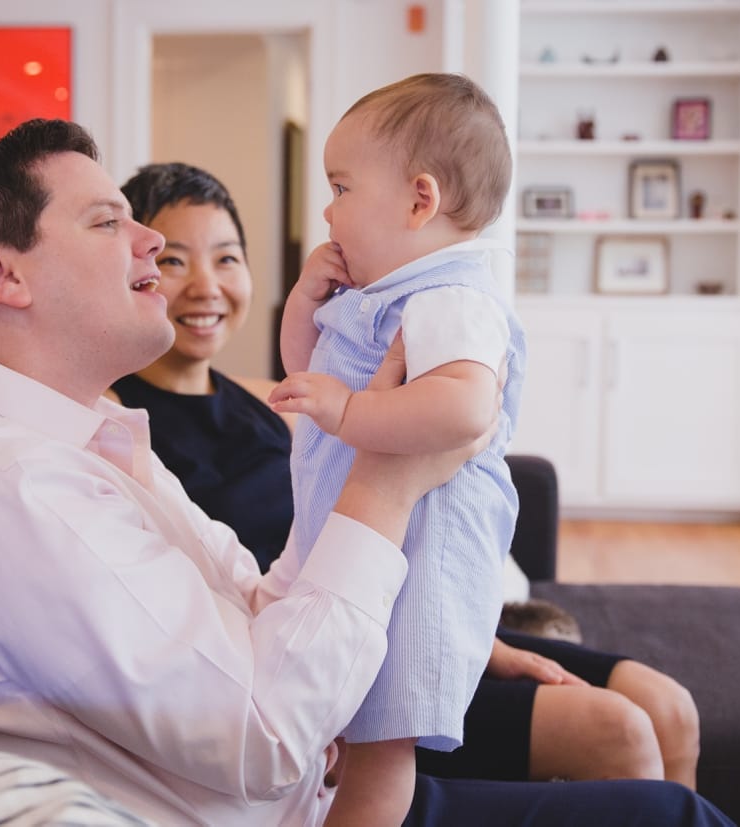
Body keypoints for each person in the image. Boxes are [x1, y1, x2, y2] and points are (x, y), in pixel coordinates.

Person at [0, 117, 733, 826]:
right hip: (306, 802)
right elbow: (266, 733)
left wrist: (436, 620)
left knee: (657, 796)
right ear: (2, 274)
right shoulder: (5, 490)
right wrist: (387, 476)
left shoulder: (90, 434)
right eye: (107, 222)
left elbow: (260, 597)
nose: (149, 241)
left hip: (325, 777)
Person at [111, 161, 700, 792]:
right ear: (137, 270)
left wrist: (475, 635)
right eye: (175, 261)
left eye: (227, 259)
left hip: (404, 608)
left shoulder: (265, 399)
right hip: (330, 658)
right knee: (619, 730)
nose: (207, 286)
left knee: (667, 706)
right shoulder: (122, 424)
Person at [265, 72, 524, 824]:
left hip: (421, 553)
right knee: (346, 721)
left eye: (342, 187)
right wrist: (306, 303)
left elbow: (464, 407)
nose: (328, 208)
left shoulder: (452, 297)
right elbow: (302, 373)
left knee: (381, 743)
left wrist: (350, 408)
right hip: (371, 544)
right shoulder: (383, 292)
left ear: (420, 199)